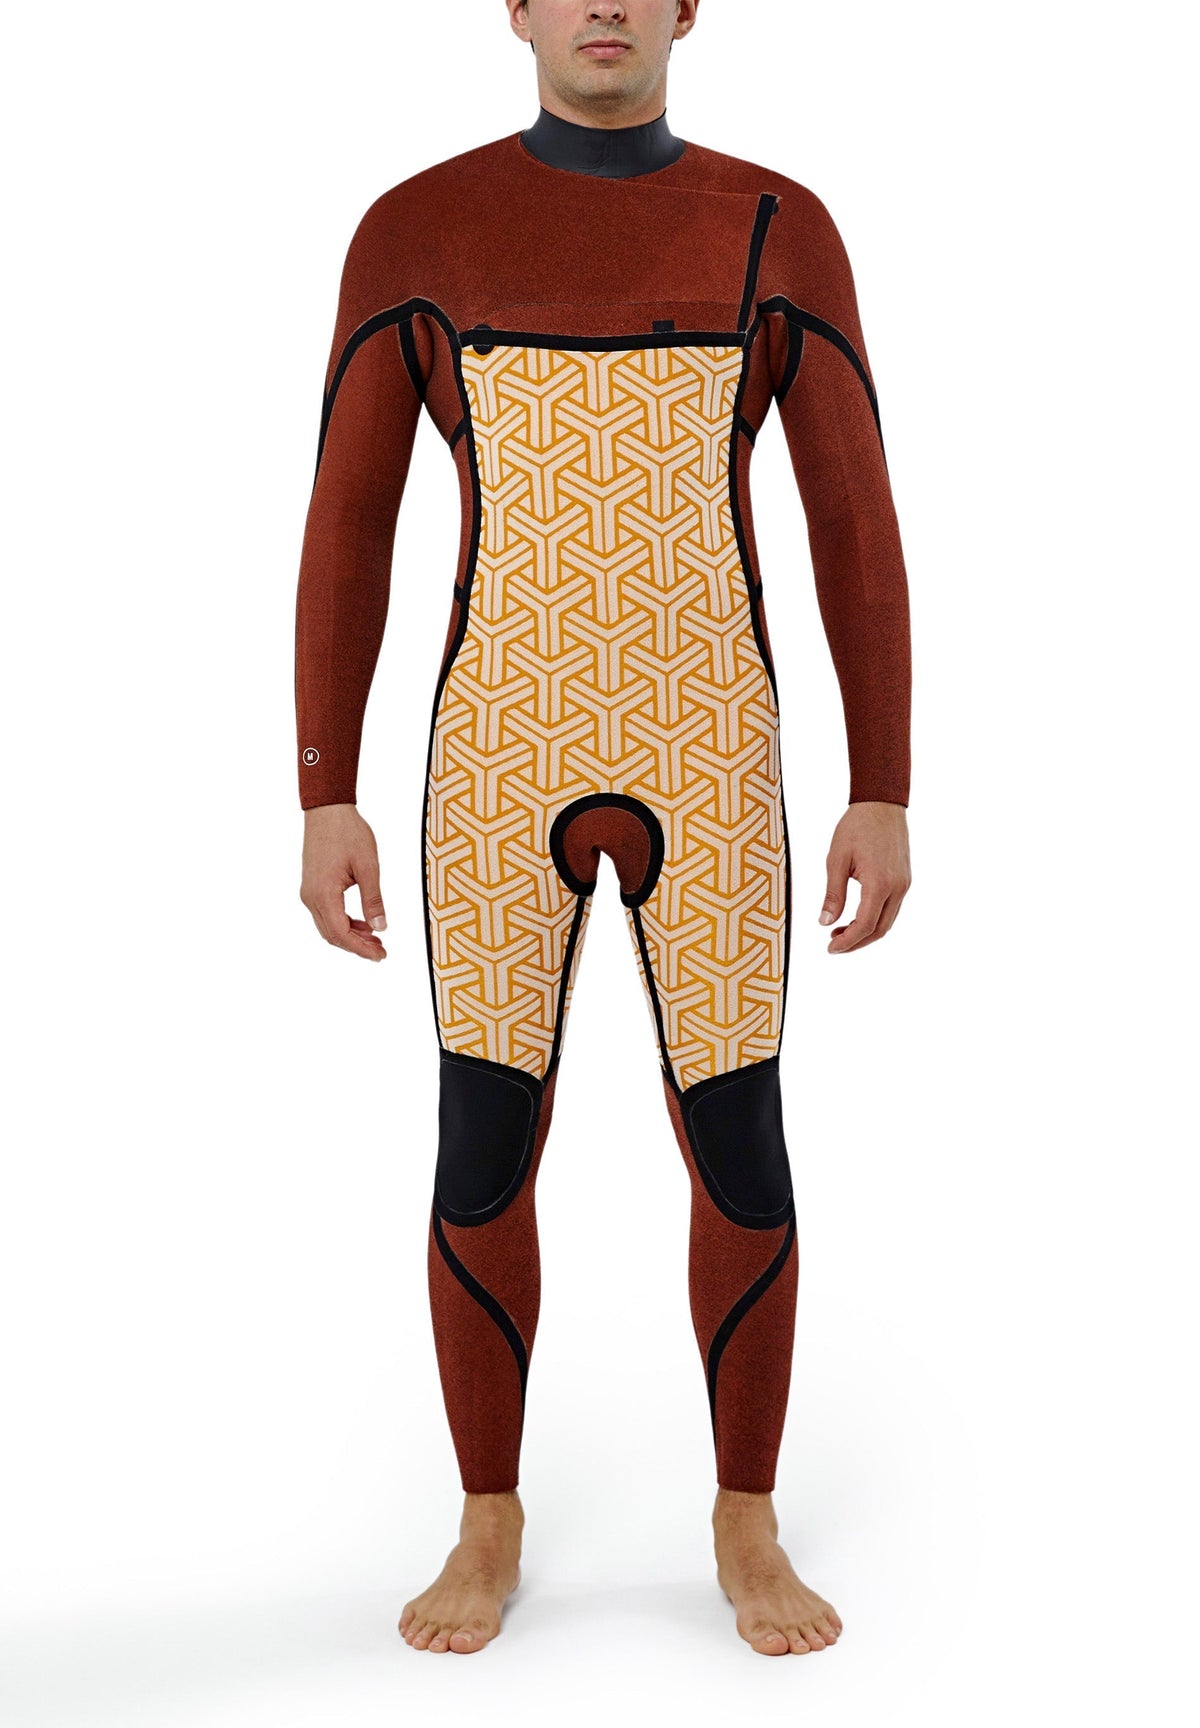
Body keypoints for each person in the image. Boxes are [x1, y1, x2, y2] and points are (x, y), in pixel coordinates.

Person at [295, 0, 911, 1659]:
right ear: (517, 7)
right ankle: (486, 1520)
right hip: (500, 756)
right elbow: (349, 515)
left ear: (691, 6)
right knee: (483, 1143)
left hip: (712, 756)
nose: (607, 6)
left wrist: (885, 782)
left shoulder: (774, 226)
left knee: (740, 1138)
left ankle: (746, 1519)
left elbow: (853, 513)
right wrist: (323, 788)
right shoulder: (417, 230)